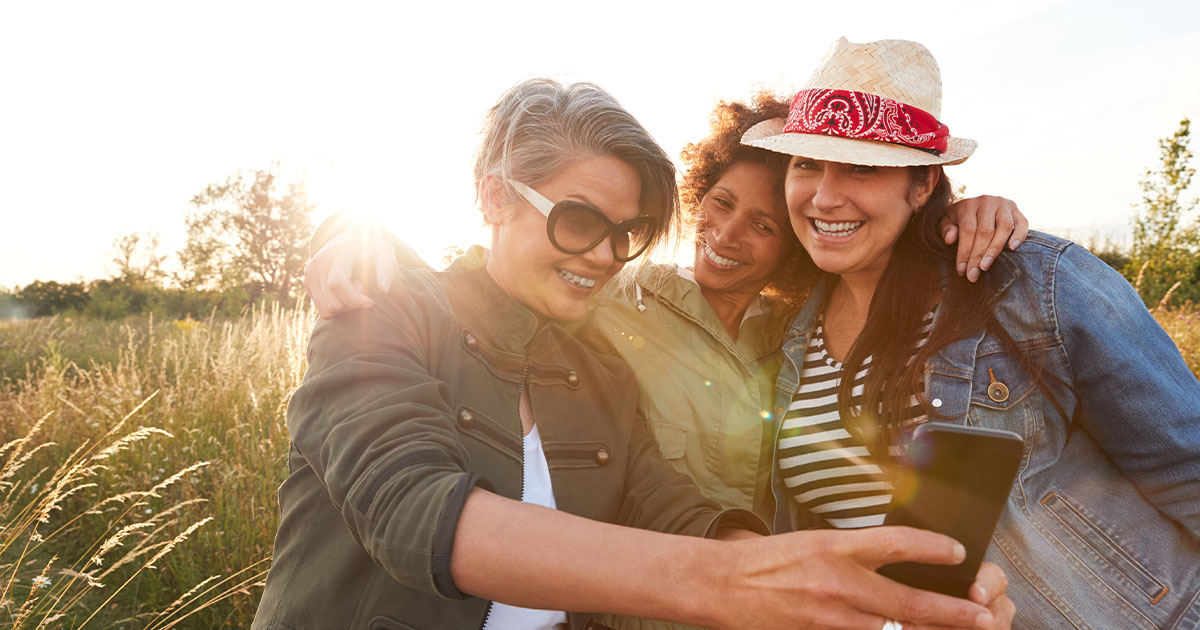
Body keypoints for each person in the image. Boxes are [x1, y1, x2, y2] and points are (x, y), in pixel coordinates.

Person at [254, 78, 1012, 630]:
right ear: (493, 198)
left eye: (629, 233)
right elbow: (408, 507)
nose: (608, 255)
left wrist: (816, 576)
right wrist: (736, 580)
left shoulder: (598, 365)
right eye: (580, 220)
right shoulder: (382, 316)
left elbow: (663, 499)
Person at [742, 38, 1200, 629]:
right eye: (806, 164)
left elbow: (1186, 466)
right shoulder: (785, 336)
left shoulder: (1034, 283)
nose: (826, 195)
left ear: (924, 183)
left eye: (863, 166)